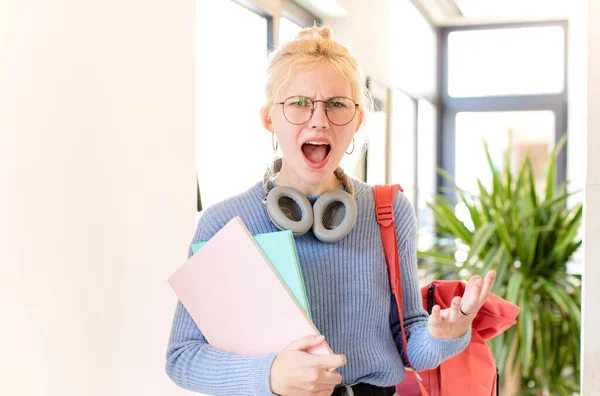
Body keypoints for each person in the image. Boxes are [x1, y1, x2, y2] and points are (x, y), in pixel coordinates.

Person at [165, 25, 496, 396]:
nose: (319, 119)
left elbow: (410, 346)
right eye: (299, 103)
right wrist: (270, 375)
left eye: (337, 104)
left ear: (356, 121)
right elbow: (183, 358)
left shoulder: (388, 212)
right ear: (269, 119)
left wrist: (446, 333)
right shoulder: (225, 222)